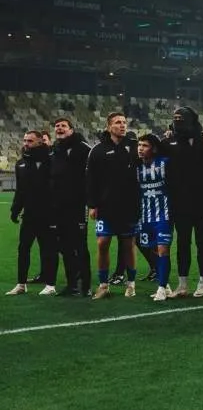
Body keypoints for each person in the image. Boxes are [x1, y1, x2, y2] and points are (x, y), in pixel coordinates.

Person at [86, 113, 141, 299]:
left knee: (128, 245)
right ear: (109, 127)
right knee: (102, 244)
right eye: (118, 123)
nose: (122, 125)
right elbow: (91, 179)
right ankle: (103, 285)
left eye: (125, 122)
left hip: (129, 206)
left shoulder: (134, 148)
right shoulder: (97, 150)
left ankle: (131, 284)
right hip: (106, 207)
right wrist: (92, 205)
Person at [159, 107, 203, 298]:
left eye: (181, 119)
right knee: (182, 243)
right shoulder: (168, 142)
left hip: (201, 203)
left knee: (202, 242)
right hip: (179, 203)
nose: (177, 122)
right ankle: (182, 285)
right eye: (174, 119)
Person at [7, 131, 57, 296]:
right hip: (28, 215)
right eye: (25, 140)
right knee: (23, 248)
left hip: (48, 214)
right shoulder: (21, 163)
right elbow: (20, 190)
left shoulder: (50, 160)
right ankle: (21, 284)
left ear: (39, 143)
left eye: (30, 141)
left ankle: (50, 285)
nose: (26, 143)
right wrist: (15, 210)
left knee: (48, 249)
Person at [49, 117, 92, 297]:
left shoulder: (83, 148)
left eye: (63, 126)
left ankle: (86, 286)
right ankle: (71, 284)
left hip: (78, 205)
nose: (59, 128)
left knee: (80, 246)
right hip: (59, 207)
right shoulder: (54, 150)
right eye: (57, 126)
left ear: (71, 129)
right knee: (64, 246)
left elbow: (92, 175)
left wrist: (90, 200)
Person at [135, 134, 176, 302]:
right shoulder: (136, 167)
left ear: (153, 148)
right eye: (139, 145)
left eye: (145, 145)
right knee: (152, 250)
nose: (140, 148)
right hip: (145, 216)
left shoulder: (164, 164)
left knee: (163, 249)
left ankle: (161, 287)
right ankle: (165, 286)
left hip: (164, 215)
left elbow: (175, 185)